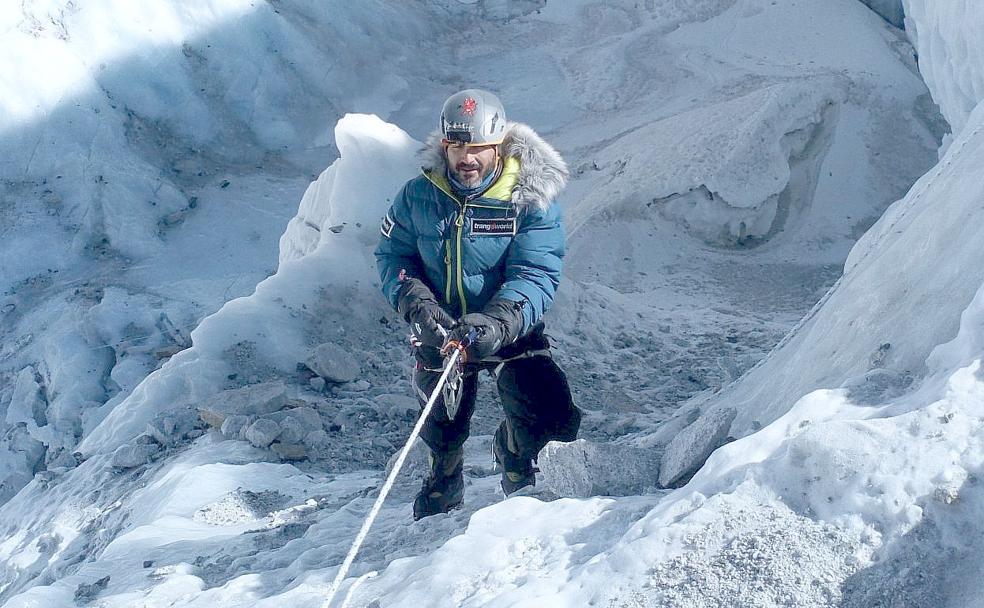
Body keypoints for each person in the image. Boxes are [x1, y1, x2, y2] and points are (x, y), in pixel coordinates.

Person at [375, 89, 581, 520]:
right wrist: (417, 304)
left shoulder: (529, 198)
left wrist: (498, 321)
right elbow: (394, 256)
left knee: (554, 420)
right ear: (445, 146)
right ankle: (445, 473)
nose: (467, 159)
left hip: (507, 326)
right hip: (441, 326)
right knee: (442, 421)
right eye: (457, 147)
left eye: (479, 149)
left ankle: (513, 450)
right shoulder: (417, 196)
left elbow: (536, 272)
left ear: (498, 146)